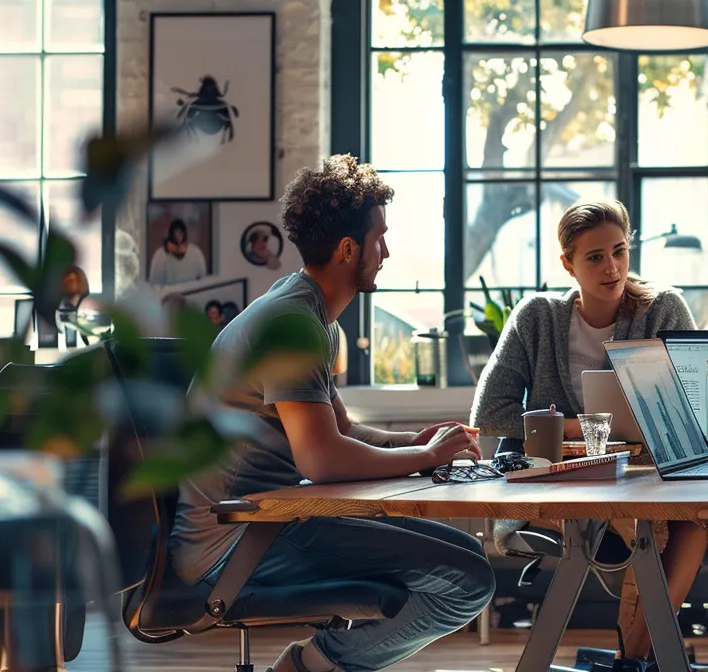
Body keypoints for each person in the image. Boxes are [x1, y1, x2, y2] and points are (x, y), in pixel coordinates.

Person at [171, 155, 494, 672]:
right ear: (348, 249)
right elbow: (320, 459)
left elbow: (339, 428)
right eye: (380, 239)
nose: (385, 252)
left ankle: (318, 663)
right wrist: (422, 456)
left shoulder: (307, 314)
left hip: (270, 521)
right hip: (235, 542)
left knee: (469, 560)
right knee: (467, 582)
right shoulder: (289, 323)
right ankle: (309, 666)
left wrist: (416, 441)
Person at [469, 200, 706, 664]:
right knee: (653, 530)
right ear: (568, 263)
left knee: (685, 523)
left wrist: (568, 426)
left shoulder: (663, 309)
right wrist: (583, 428)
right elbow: (490, 414)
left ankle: (633, 659)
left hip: (642, 477)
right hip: (556, 477)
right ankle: (639, 660)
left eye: (619, 251)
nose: (612, 267)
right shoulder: (537, 317)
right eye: (594, 257)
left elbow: (692, 409)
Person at [149, 218, 209, 285]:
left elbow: (202, 279)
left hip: (190, 294)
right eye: (175, 233)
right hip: (169, 294)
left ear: (184, 234)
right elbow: (155, 283)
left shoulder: (195, 252)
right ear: (171, 233)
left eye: (180, 233)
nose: (178, 237)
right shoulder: (161, 255)